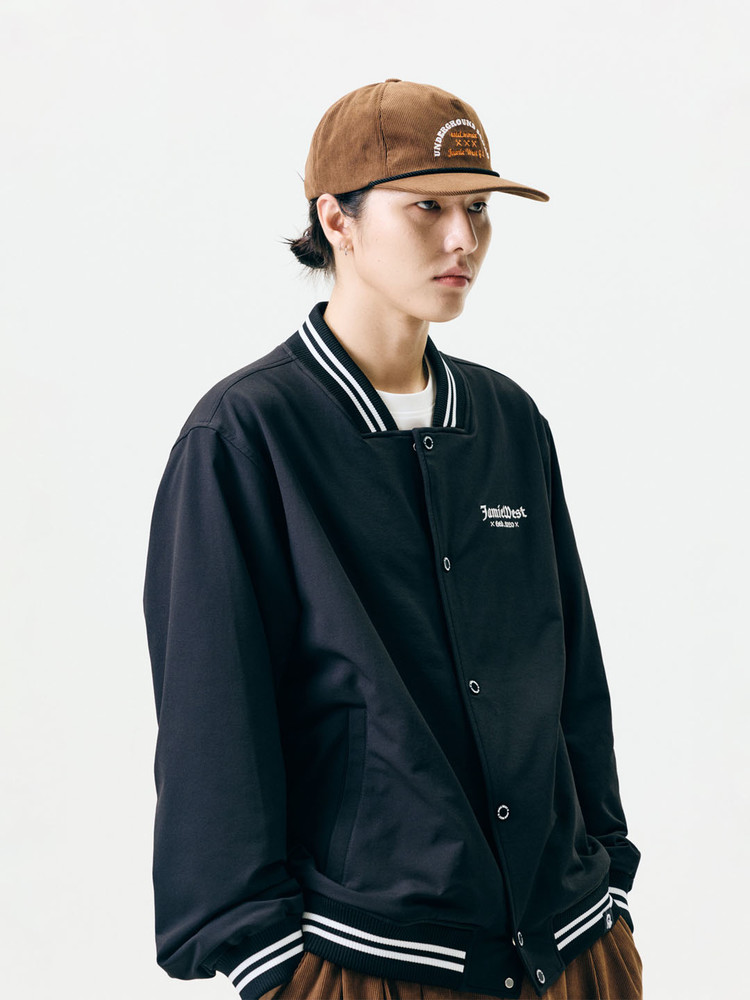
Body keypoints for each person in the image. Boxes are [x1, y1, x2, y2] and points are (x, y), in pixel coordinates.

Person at [144, 79, 642, 1000]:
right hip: (372, 960)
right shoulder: (247, 435)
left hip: (573, 948)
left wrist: (609, 871)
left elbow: (571, 670)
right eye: (427, 208)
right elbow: (213, 716)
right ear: (335, 220)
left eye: (478, 209)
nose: (463, 240)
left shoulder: (507, 419)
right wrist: (264, 958)